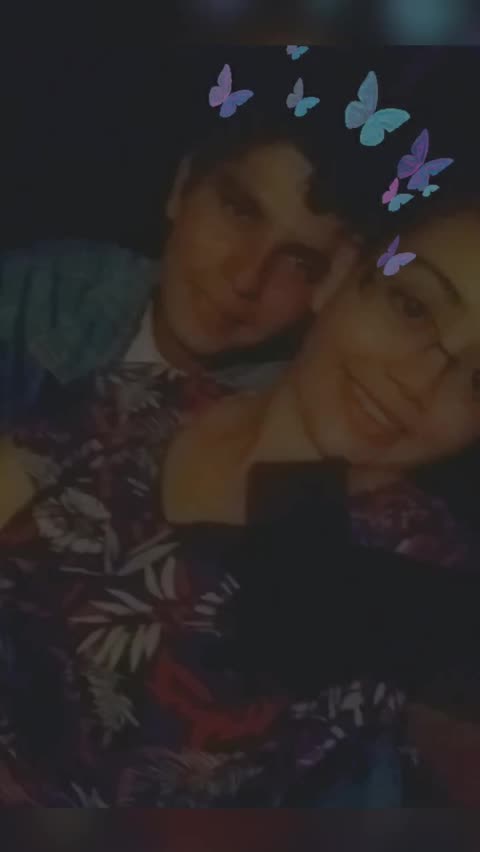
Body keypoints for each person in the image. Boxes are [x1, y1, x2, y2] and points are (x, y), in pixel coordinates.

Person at [0, 195, 479, 807]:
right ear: (340, 276)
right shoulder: (142, 403)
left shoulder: (419, 578)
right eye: (412, 307)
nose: (421, 381)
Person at [0, 115, 357, 433]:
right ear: (181, 188)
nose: (247, 278)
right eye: (240, 212)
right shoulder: (50, 288)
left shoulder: (284, 421)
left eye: (299, 263)